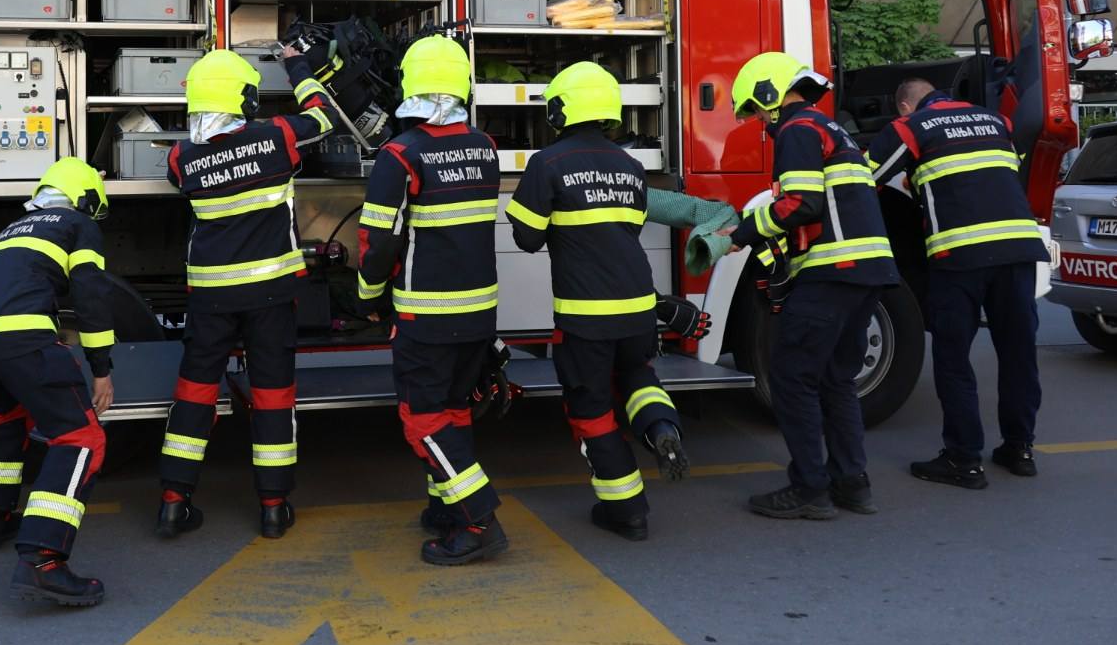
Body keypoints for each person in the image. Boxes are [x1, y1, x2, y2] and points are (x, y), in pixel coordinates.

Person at [156, 48, 335, 541]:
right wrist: (299, 67)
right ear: (247, 99)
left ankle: (173, 503)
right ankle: (274, 508)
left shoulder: (179, 158)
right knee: (273, 397)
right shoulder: (277, 136)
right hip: (270, 297)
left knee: (193, 395)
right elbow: (323, 117)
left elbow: (187, 174)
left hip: (210, 299)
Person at [506, 62, 689, 541]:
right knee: (638, 377)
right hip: (638, 307)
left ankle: (626, 510)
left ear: (560, 109)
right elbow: (627, 229)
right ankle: (662, 430)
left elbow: (526, 237)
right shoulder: (631, 166)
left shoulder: (547, 163)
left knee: (590, 409)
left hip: (585, 317)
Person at [724, 53, 900, 520]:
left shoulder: (798, 130)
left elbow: (801, 204)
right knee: (836, 379)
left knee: (791, 377)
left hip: (832, 272)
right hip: (866, 272)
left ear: (770, 94)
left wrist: (743, 233)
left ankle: (809, 488)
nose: (760, 122)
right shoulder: (830, 128)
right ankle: (852, 484)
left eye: (756, 110)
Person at [356, 34, 507, 565]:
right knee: (454, 411)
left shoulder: (400, 155)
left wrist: (368, 296)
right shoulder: (485, 147)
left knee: (423, 419)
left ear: (411, 86)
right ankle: (445, 507)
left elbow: (379, 241)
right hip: (479, 310)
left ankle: (478, 519)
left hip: (427, 313)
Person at [0, 157, 119, 607]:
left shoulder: (13, 228)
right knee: (81, 438)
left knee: (8, 413)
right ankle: (43, 561)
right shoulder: (78, 224)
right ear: (85, 198)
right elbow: (91, 296)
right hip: (17, 334)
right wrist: (101, 369)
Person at [867, 77, 1047, 487]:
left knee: (953, 359)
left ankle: (964, 460)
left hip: (960, 255)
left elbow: (862, 176)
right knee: (1018, 354)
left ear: (905, 107)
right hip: (1018, 249)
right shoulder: (996, 121)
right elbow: (996, 174)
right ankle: (1019, 449)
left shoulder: (910, 127)